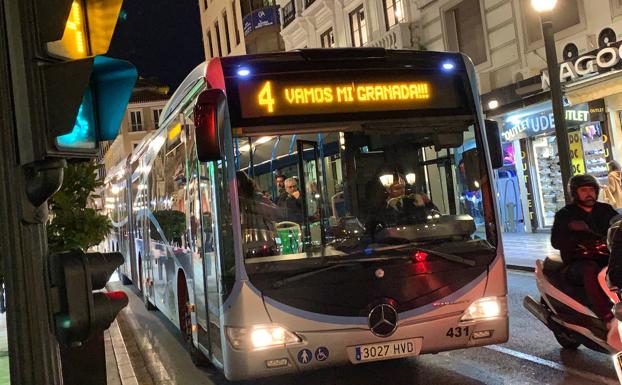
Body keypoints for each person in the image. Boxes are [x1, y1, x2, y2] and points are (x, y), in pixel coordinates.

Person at [551, 174, 618, 325]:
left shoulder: (605, 210)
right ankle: (606, 316)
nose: (589, 193)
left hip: (607, 256)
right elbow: (556, 242)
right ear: (575, 193)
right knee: (590, 270)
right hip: (579, 262)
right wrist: (574, 237)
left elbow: (617, 225)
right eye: (584, 190)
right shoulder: (565, 214)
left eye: (592, 190)